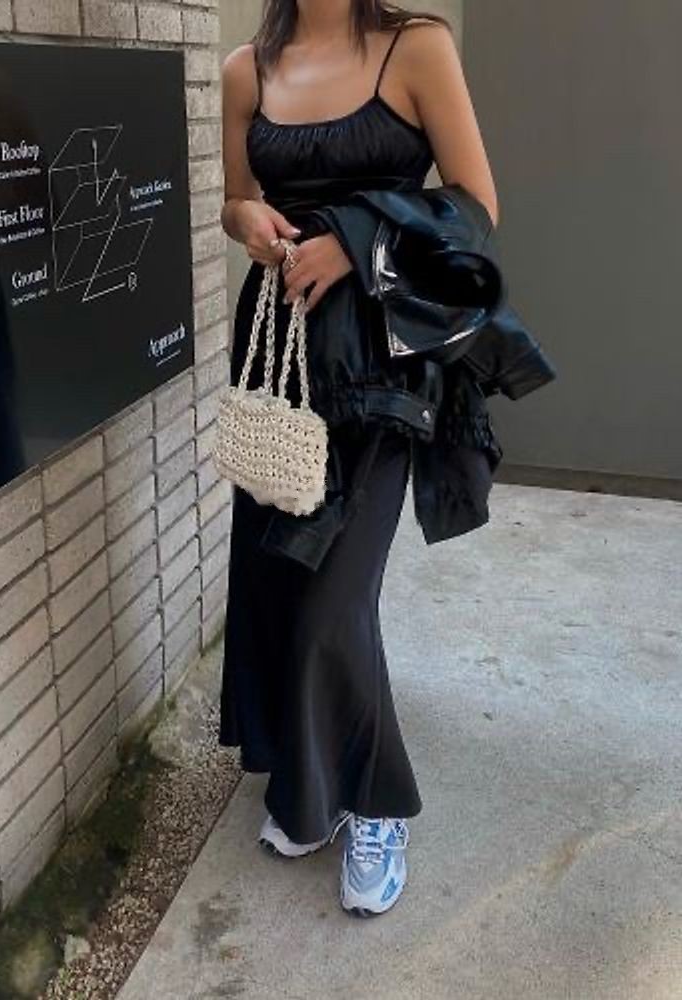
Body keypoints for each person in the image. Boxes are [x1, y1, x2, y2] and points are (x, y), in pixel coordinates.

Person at [218, 0, 499, 917]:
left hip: (383, 364)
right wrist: (248, 220)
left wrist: (354, 241)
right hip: (281, 357)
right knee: (281, 582)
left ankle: (376, 806)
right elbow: (233, 200)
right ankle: (311, 789)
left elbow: (475, 205)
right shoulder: (245, 70)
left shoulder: (416, 47)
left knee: (335, 600)